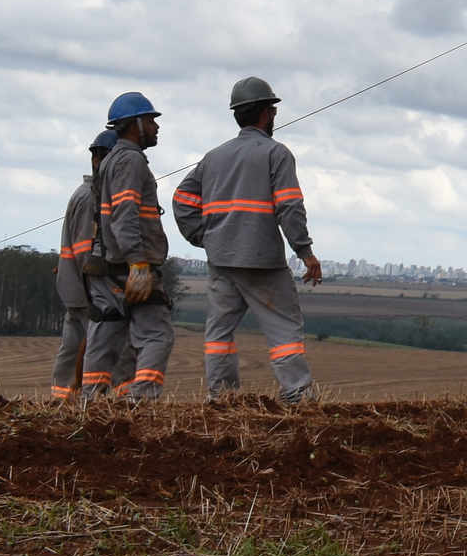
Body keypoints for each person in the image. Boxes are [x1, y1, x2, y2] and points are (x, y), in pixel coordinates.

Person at [172, 76, 322, 405]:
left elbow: (181, 200)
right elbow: (290, 207)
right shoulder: (276, 153)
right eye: (273, 110)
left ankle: (222, 398)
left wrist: (205, 237)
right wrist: (305, 252)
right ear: (266, 113)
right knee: (284, 330)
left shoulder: (214, 157)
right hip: (262, 262)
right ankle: (297, 395)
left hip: (222, 260)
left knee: (218, 334)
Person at [95, 93, 176, 401]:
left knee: (119, 338)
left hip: (117, 265)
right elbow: (125, 215)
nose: (156, 127)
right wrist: (138, 263)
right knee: (158, 335)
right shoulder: (129, 160)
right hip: (134, 265)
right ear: (135, 124)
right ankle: (141, 399)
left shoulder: (114, 159)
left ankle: (110, 398)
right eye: (151, 120)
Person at [51, 130, 116, 400]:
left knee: (72, 348)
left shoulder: (88, 193)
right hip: (86, 290)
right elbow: (84, 252)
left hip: (75, 288)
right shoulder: (91, 197)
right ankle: (87, 399)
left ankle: (62, 400)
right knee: (95, 348)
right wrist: (98, 292)